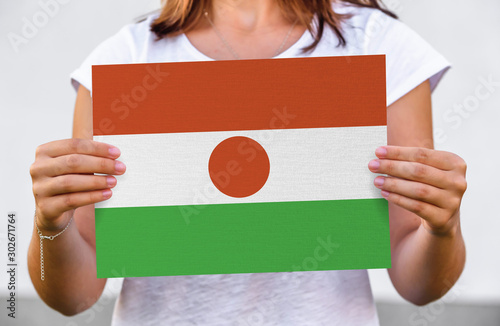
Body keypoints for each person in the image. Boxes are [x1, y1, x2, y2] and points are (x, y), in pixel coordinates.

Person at [28, 0, 467, 325]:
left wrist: (441, 226)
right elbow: (75, 298)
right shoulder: (124, 59)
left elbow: (419, 285)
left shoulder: (380, 47)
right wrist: (50, 224)